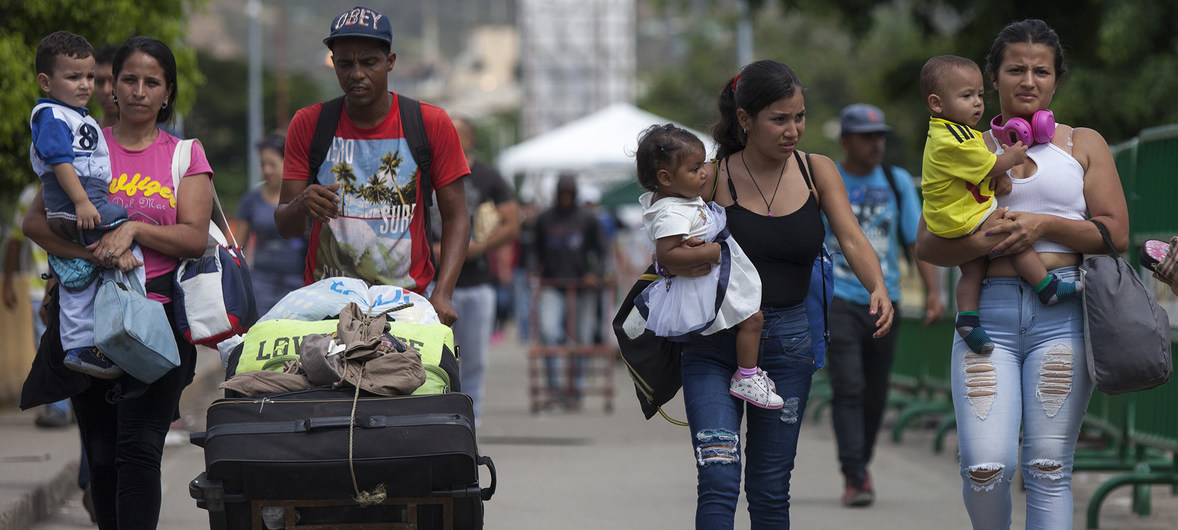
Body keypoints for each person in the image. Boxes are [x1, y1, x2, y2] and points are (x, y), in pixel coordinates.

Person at [914, 19, 1129, 529]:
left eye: (1041, 71)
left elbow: (1115, 234)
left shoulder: (1083, 144)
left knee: (1048, 468)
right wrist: (991, 239)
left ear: (1056, 80)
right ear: (993, 77)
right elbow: (926, 243)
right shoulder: (963, 148)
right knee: (985, 468)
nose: (1028, 80)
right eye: (1015, 69)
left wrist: (1042, 227)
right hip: (987, 317)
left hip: (1063, 317)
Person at [668, 59, 893, 528]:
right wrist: (693, 253)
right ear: (745, 120)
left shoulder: (817, 170)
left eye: (799, 117)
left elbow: (851, 237)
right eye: (779, 119)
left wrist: (879, 287)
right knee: (719, 477)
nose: (793, 130)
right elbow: (668, 244)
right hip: (714, 345)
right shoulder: (712, 178)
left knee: (770, 489)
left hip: (788, 344)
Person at [22, 36, 215, 528]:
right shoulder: (84, 141)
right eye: (128, 79)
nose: (138, 91)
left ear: (168, 92)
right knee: (102, 455)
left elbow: (194, 238)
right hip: (89, 322)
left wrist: (132, 229)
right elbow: (35, 224)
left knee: (140, 450)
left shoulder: (185, 155)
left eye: (152, 82)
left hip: (160, 324)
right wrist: (96, 255)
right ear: (112, 87)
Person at [275, 5, 470, 326]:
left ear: (390, 62)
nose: (356, 74)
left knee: (430, 376)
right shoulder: (309, 123)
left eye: (369, 62)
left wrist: (443, 293)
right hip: (325, 305)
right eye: (344, 64)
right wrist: (301, 204)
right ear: (333, 64)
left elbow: (457, 215)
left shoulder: (430, 123)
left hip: (406, 304)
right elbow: (287, 226)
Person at [824, 103, 945, 507]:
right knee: (849, 387)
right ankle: (855, 474)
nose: (876, 144)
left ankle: (861, 464)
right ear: (845, 141)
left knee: (876, 392)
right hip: (837, 298)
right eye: (866, 137)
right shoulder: (828, 180)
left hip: (885, 299)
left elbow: (917, 241)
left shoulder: (896, 182)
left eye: (880, 137)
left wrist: (932, 291)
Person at [919, 55, 1078, 355]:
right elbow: (988, 163)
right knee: (1012, 229)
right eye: (966, 96)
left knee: (972, 270)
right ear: (937, 104)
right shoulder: (953, 139)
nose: (977, 103)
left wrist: (999, 175)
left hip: (952, 216)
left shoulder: (954, 132)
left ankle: (967, 318)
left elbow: (976, 171)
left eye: (979, 95)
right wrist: (1013, 157)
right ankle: (1046, 286)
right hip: (961, 218)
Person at [634, 124, 779, 409]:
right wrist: (711, 252)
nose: (704, 173)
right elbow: (667, 254)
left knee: (751, 318)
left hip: (706, 281)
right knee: (753, 318)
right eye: (694, 168)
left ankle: (747, 373)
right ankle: (746, 376)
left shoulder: (679, 201)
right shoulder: (672, 212)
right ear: (665, 178)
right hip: (703, 285)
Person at [30, 31, 130, 379]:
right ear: (46, 81)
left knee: (80, 280)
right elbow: (60, 161)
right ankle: (82, 345)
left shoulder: (77, 115)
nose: (87, 85)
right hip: (76, 207)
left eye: (90, 76)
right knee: (128, 242)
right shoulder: (51, 116)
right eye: (74, 77)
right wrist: (82, 201)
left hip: (83, 203)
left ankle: (90, 343)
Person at [438, 115, 519, 424]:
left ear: (470, 140)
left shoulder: (488, 177)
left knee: (474, 359)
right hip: (434, 281)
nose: (449, 142)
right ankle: (438, 416)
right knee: (434, 357)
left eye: (456, 136)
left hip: (477, 283)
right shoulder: (428, 173)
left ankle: (471, 420)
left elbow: (512, 223)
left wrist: (481, 247)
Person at [533, 174, 606, 406]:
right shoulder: (545, 219)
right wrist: (534, 272)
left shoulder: (587, 219)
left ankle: (576, 388)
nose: (565, 198)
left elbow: (603, 251)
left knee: (583, 337)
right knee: (549, 332)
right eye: (562, 194)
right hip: (552, 284)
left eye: (569, 194)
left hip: (582, 286)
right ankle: (554, 388)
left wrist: (594, 273)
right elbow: (533, 251)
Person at [236, 134, 308, 315]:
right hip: (261, 283)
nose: (267, 170)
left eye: (272, 164)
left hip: (298, 283)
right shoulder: (251, 200)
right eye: (262, 164)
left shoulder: (304, 198)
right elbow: (237, 248)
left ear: (287, 163)